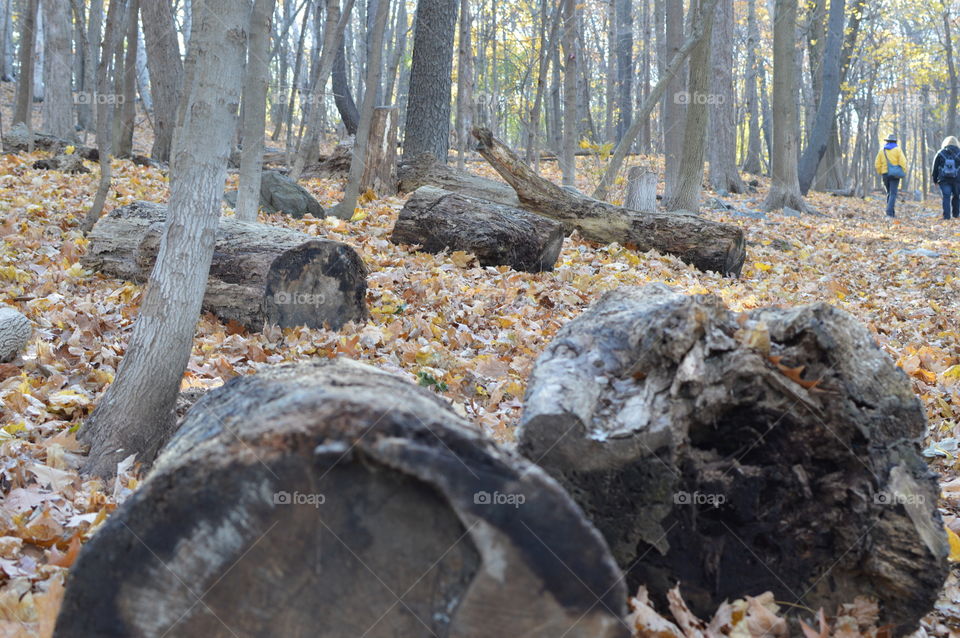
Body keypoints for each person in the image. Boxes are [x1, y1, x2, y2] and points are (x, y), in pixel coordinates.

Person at [875, 135, 907, 218]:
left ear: (887, 141)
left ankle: (891, 212)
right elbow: (903, 162)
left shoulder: (882, 150)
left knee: (889, 193)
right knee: (893, 193)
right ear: (895, 141)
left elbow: (877, 164)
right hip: (894, 174)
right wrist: (903, 171)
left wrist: (880, 172)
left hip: (885, 174)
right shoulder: (898, 150)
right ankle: (889, 213)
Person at [933, 136, 960, 220]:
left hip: (944, 179)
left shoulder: (940, 153)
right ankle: (956, 215)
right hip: (957, 180)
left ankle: (947, 217)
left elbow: (935, 167)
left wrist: (935, 180)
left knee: (946, 196)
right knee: (956, 196)